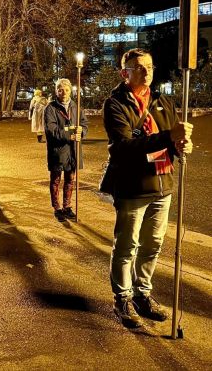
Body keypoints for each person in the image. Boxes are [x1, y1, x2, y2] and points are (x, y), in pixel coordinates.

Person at [103, 48, 193, 328]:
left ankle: (143, 293)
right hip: (132, 187)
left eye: (150, 66)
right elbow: (123, 148)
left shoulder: (163, 101)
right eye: (139, 67)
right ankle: (123, 298)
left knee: (153, 245)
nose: (146, 71)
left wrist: (181, 146)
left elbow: (171, 143)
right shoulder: (116, 104)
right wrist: (168, 136)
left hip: (162, 185)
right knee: (127, 245)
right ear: (124, 73)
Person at [44, 78, 88, 222]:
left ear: (71, 91)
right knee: (56, 180)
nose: (63, 92)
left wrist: (81, 132)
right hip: (58, 150)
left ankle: (67, 206)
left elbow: (84, 124)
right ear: (56, 91)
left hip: (73, 150)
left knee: (70, 179)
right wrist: (70, 134)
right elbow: (51, 130)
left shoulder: (76, 106)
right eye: (60, 89)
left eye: (66, 90)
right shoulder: (50, 108)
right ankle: (57, 208)